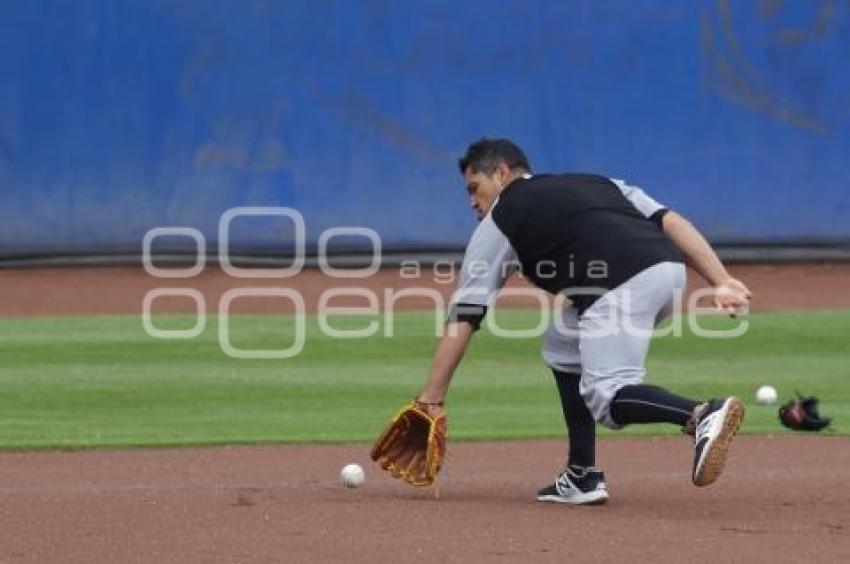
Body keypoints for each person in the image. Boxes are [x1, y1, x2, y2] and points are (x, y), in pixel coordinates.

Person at [413, 138, 751, 505]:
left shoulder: (501, 216)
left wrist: (431, 399)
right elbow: (668, 220)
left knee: (607, 397)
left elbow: (466, 314)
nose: (471, 201)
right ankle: (581, 475)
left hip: (619, 286)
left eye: (474, 188)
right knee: (563, 347)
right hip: (669, 273)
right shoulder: (600, 182)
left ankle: (700, 414)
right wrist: (719, 279)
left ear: (502, 173)